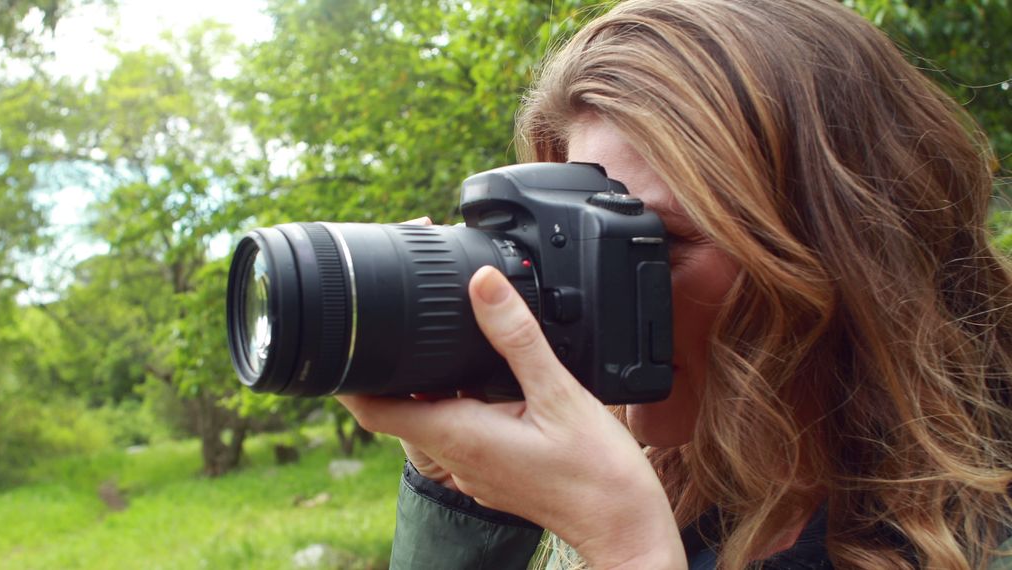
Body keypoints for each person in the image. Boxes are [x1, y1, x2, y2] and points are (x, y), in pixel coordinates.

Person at [338, 0, 1012, 567]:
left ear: (849, 245)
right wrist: (458, 500)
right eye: (571, 245)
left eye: (648, 243)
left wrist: (626, 543)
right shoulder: (681, 485)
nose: (598, 292)